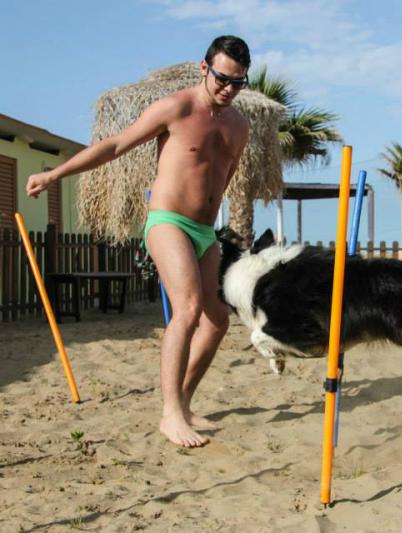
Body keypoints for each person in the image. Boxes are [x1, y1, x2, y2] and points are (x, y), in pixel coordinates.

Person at [26, 36, 251, 448]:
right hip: (168, 221)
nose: (229, 88)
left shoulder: (239, 124)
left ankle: (183, 402)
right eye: (223, 78)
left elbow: (225, 174)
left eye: (238, 82)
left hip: (205, 231)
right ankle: (170, 414)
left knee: (217, 321)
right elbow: (114, 146)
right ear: (204, 68)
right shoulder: (177, 107)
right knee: (188, 309)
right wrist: (54, 175)